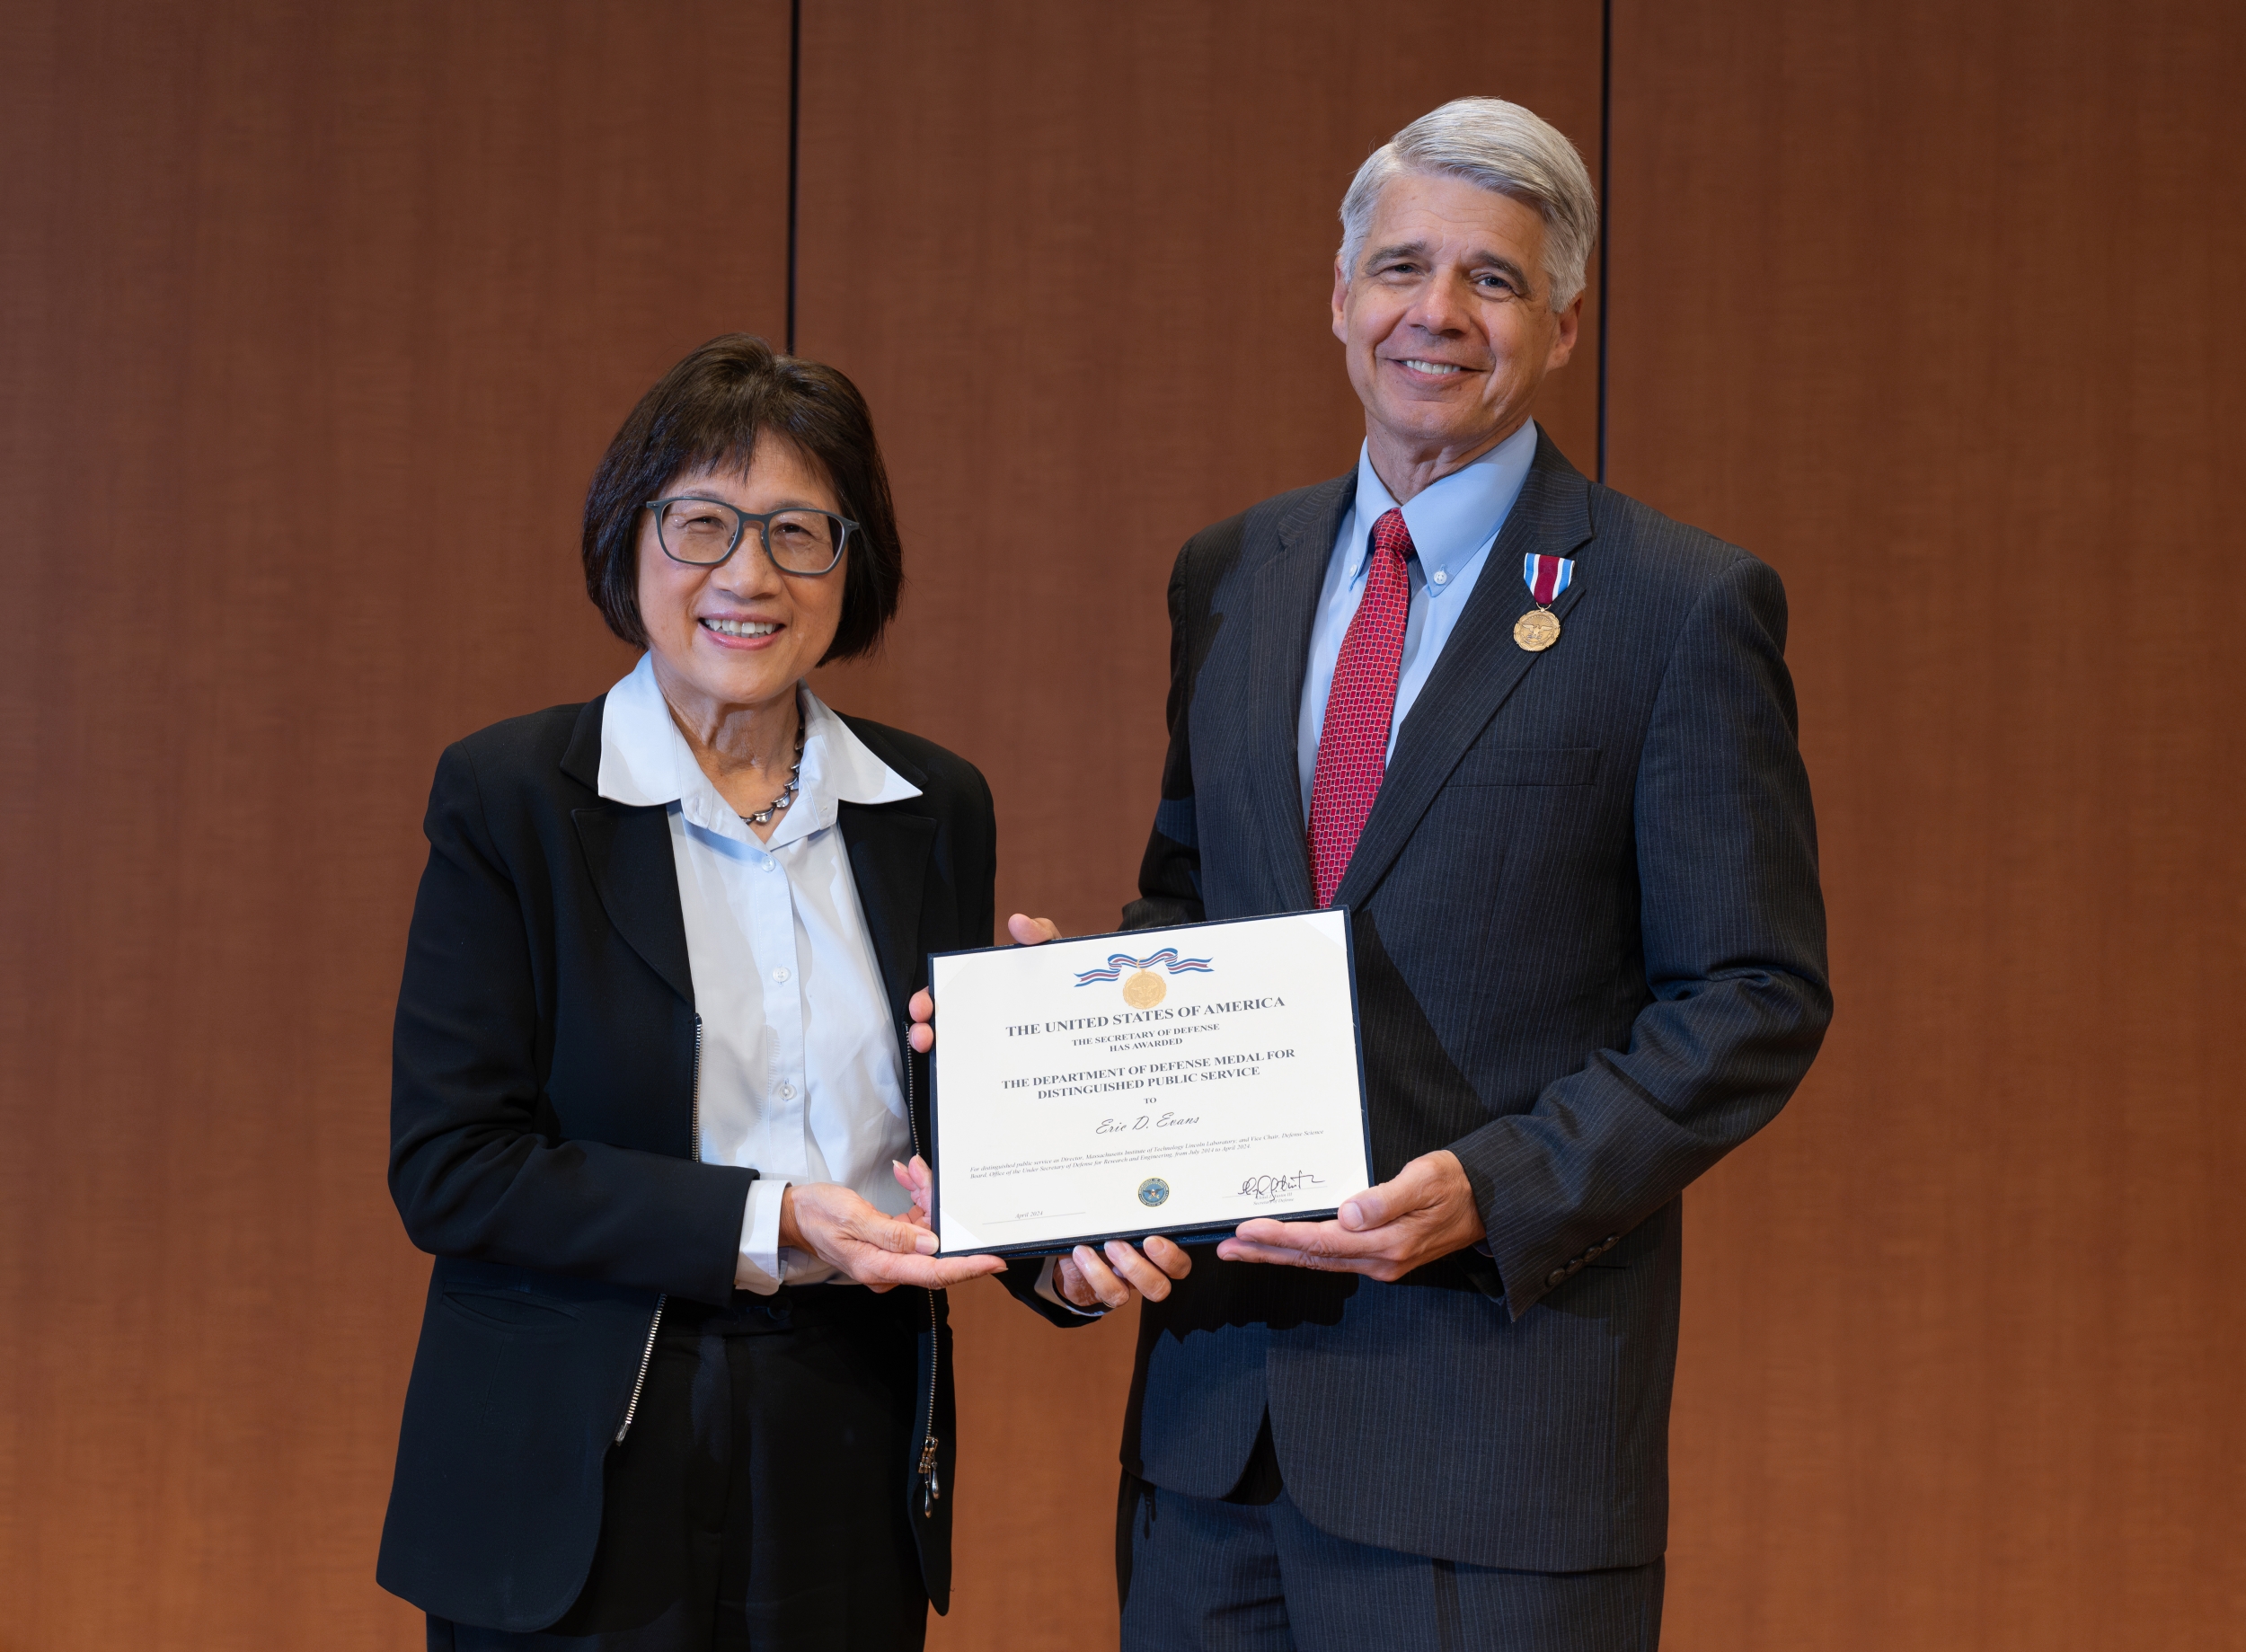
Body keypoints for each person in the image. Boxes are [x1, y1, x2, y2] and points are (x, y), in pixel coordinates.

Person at [912, 98, 1831, 1648]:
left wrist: (1495, 1190)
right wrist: (1078, 1048)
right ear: (1339, 300)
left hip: (1496, 1450)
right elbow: (1193, 901)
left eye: (1493, 279)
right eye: (1402, 267)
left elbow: (1751, 996)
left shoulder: (1678, 607)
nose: (1438, 313)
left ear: (1565, 325)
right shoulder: (1234, 575)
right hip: (1214, 1445)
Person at [377, 334, 1009, 1649]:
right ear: (630, 544)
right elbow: (454, 1166)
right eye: (703, 524)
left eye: (798, 533)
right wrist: (773, 1221)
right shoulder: (512, 797)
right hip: (576, 1444)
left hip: (845, 1425)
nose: (748, 575)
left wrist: (1062, 1158)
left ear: (855, 564)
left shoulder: (932, 808)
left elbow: (954, 1147)